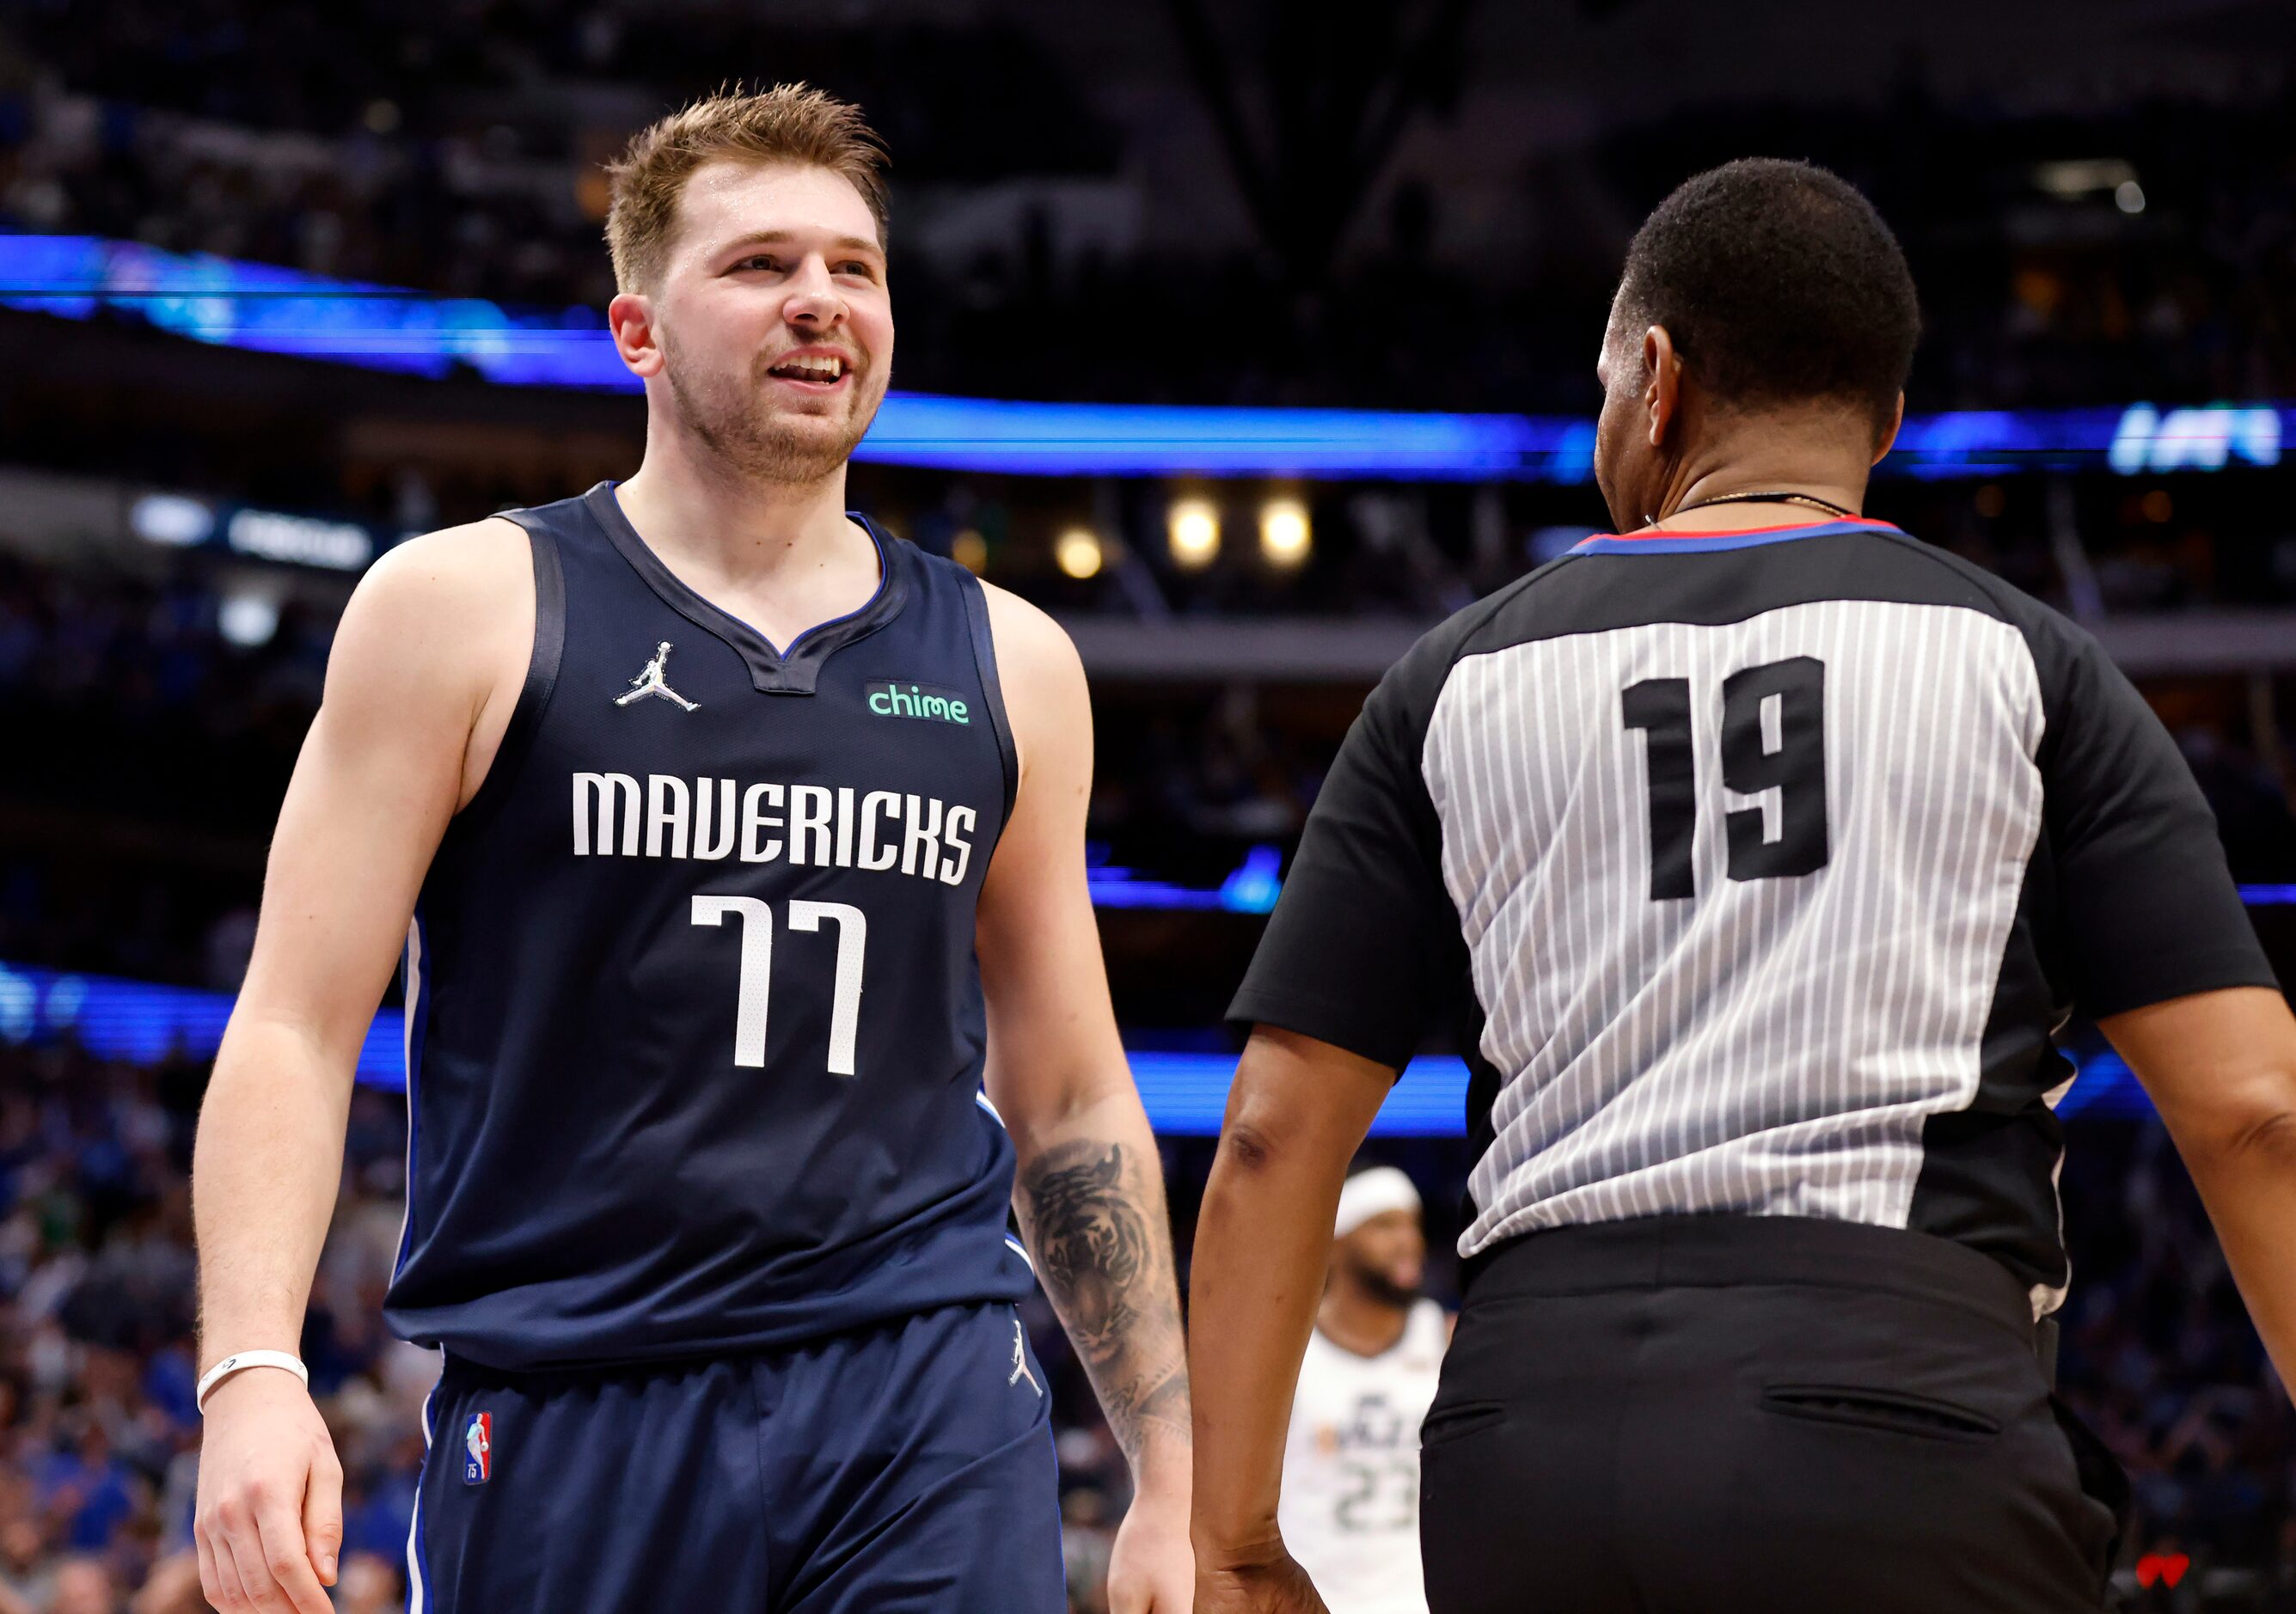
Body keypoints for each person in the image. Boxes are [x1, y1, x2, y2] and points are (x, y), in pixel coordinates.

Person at [1187, 157, 2296, 1614]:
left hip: (1531, 1440)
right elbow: (2251, 1111)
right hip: (1897, 1420)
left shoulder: (1446, 682)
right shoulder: (2035, 668)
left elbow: (1270, 1137)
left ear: (1656, 379)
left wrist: (1236, 1538)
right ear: (1888, 418)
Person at [190, 84, 1192, 1614]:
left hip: (923, 1391)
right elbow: (293, 1021)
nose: (820, 302)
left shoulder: (1013, 659)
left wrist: (1171, 1470)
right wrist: (250, 1366)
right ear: (637, 330)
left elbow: (1065, 1093)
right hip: (575, 1395)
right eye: (760, 265)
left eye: (855, 267)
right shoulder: (462, 607)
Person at [1277, 1168, 1446, 1614]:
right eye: (1385, 1225)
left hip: (1422, 1598)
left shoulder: (1446, 1338)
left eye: (1413, 1224)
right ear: (1336, 1243)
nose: (1408, 1240)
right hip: (1317, 1597)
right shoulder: (1286, 1352)